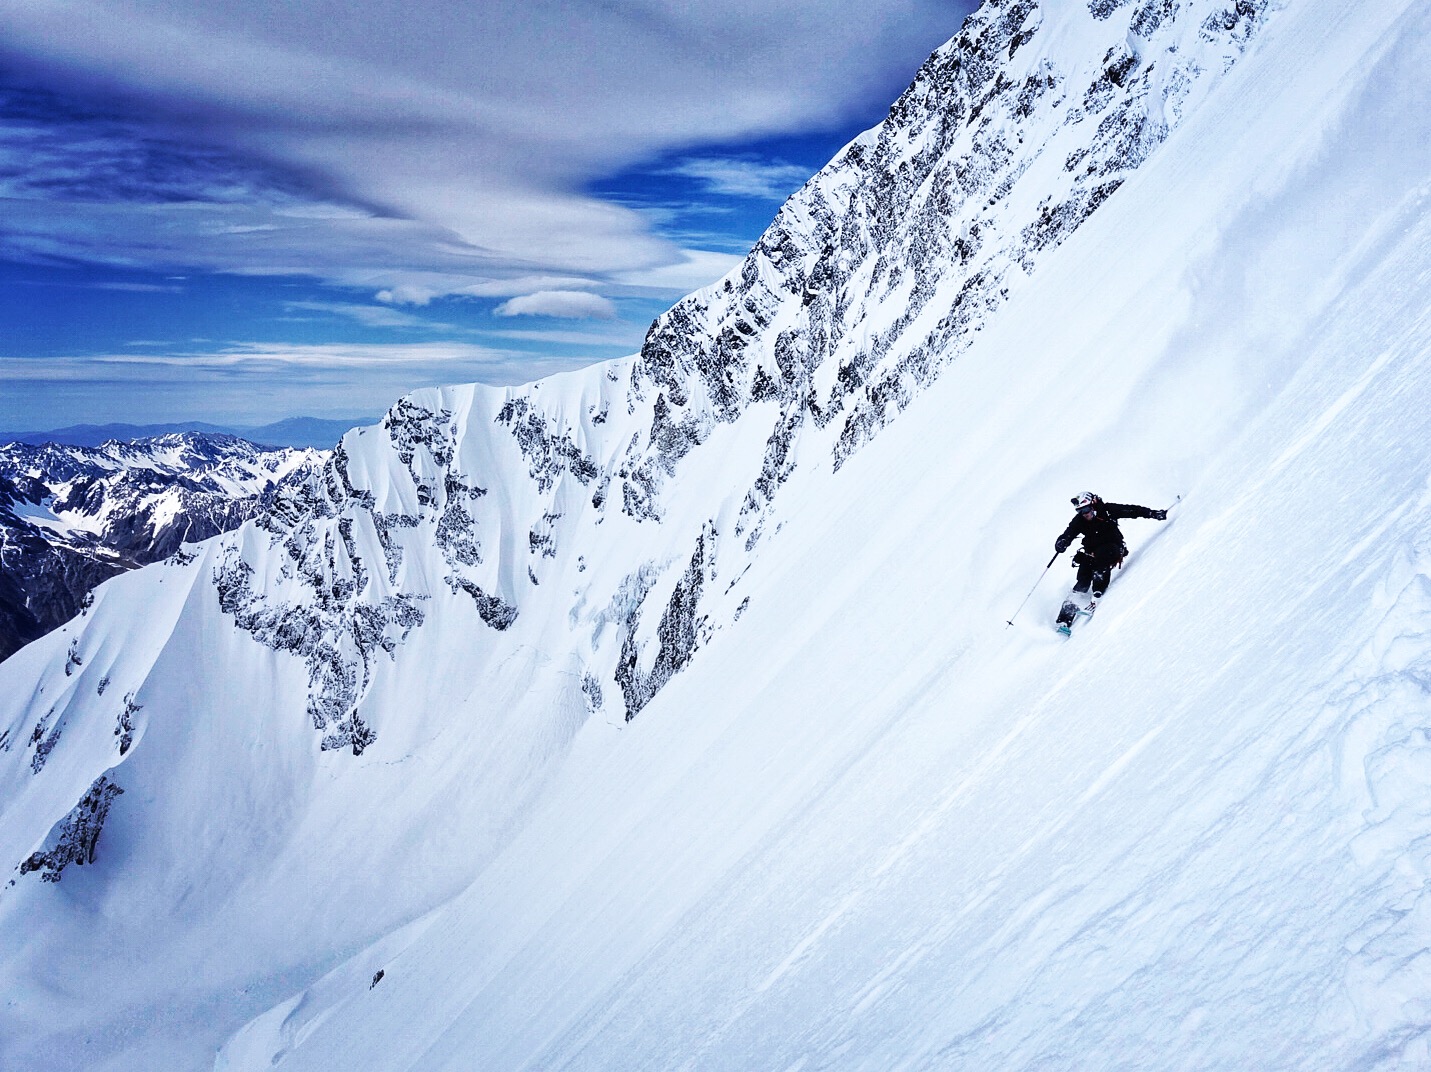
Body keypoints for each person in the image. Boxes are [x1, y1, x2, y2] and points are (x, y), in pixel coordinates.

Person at [1053, 492, 1166, 630]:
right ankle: (1064, 620)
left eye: (1086, 510)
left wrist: (1153, 513)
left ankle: (1097, 593)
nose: (1085, 514)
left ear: (1093, 505)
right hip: (1092, 552)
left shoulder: (1107, 510)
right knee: (1083, 578)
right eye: (1080, 511)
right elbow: (1068, 533)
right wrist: (1062, 542)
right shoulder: (1080, 520)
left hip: (1113, 548)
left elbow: (1132, 510)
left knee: (1102, 556)